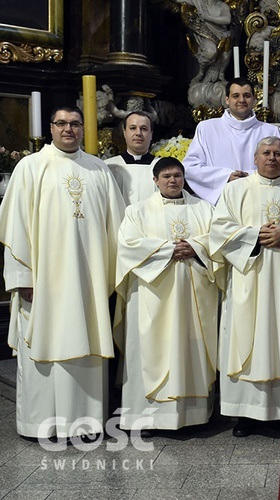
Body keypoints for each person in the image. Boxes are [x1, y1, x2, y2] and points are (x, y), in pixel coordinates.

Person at [0, 106, 125, 439]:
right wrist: (21, 277)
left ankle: (86, 422)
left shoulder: (99, 170)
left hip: (88, 284)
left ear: (84, 129)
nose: (68, 129)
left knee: (86, 343)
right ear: (51, 128)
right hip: (42, 283)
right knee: (44, 345)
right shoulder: (30, 167)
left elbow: (119, 229)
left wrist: (114, 278)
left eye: (75, 124)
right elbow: (15, 225)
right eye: (61, 124)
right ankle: (40, 423)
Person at [209, 137, 280, 437]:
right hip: (249, 281)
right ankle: (246, 415)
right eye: (266, 153)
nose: (272, 158)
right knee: (248, 338)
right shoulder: (235, 190)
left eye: (278, 154)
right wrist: (254, 235)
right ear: (255, 158)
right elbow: (219, 229)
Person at [115, 156, 219, 435]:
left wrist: (195, 246)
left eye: (177, 176)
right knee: (149, 351)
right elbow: (128, 245)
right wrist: (168, 250)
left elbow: (218, 241)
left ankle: (194, 416)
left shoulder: (204, 209)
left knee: (191, 349)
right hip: (153, 296)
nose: (172, 181)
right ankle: (146, 418)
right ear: (155, 180)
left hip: (194, 296)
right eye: (166, 177)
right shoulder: (137, 212)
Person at [183, 78, 280, 205]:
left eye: (246, 96)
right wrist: (226, 177)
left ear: (254, 100)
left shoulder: (271, 131)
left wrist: (251, 178)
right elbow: (191, 167)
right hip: (221, 203)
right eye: (236, 96)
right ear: (227, 100)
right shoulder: (206, 128)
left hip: (260, 201)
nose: (241, 100)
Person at [105, 111, 159, 205]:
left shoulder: (162, 167)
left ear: (151, 134)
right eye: (133, 128)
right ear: (124, 132)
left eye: (144, 129)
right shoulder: (109, 167)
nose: (138, 133)